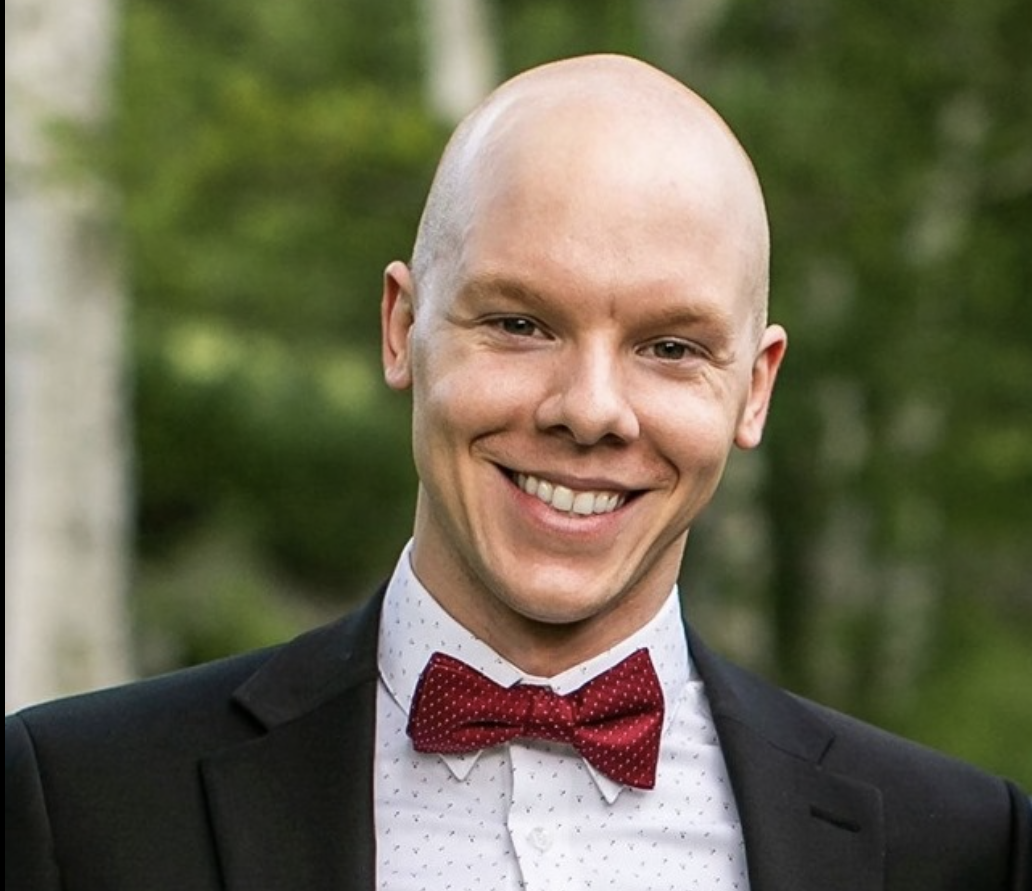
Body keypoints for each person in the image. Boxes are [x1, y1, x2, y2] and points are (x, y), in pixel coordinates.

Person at [5, 54, 1029, 891]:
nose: (588, 409)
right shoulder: (78, 806)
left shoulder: (960, 851)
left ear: (754, 390)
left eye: (670, 347)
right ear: (403, 329)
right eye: (519, 323)